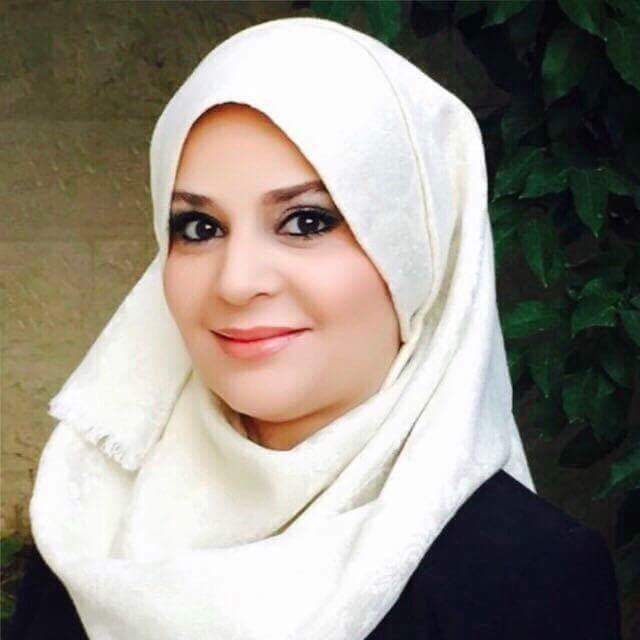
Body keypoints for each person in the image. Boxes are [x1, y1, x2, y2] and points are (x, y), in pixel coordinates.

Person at [6, 16, 621, 640]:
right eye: (200, 228)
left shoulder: (527, 576)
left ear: (417, 253)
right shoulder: (88, 532)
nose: (236, 281)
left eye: (306, 222)